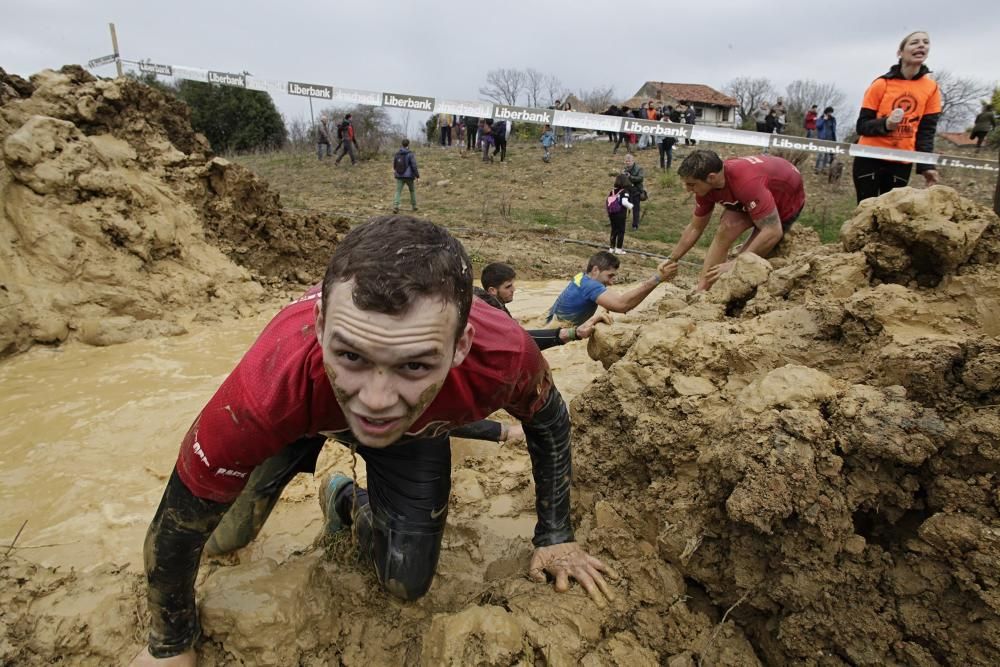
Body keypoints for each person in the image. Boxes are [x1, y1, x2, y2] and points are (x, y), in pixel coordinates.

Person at [129, 217, 614, 666]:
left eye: (415, 364)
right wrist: (171, 643)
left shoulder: (504, 357)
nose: (376, 402)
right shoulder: (267, 386)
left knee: (406, 582)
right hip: (302, 413)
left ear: (461, 347)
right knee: (220, 540)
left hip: (412, 436)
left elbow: (549, 422)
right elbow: (176, 526)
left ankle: (341, 496)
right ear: (320, 327)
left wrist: (555, 535)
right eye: (352, 356)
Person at [666, 149, 805, 291]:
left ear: (711, 177)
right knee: (725, 228)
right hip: (751, 195)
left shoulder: (746, 183)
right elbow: (696, 227)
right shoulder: (704, 187)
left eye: (691, 184)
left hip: (785, 197)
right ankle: (702, 290)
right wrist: (671, 259)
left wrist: (736, 263)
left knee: (748, 261)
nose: (687, 189)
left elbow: (773, 231)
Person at [852, 31, 941, 203]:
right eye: (914, 42)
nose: (921, 45)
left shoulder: (932, 89)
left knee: (892, 217)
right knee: (865, 213)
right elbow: (862, 126)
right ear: (900, 52)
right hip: (870, 157)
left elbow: (926, 132)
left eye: (925, 42)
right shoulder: (881, 84)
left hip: (901, 161)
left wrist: (926, 165)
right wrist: (886, 124)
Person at [477, 262, 608, 348]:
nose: (514, 289)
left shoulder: (488, 305)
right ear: (492, 291)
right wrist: (574, 333)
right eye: (508, 286)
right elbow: (520, 340)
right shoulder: (493, 316)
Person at [546, 251, 677, 327]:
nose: (611, 282)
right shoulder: (591, 285)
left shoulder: (581, 278)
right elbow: (622, 305)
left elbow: (605, 295)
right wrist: (657, 279)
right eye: (610, 276)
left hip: (549, 324)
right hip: (559, 333)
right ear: (596, 270)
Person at [606, 173, 634, 255]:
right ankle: (618, 248)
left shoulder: (612, 191)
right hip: (620, 214)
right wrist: (631, 206)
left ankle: (611, 248)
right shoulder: (624, 191)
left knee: (614, 230)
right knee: (621, 231)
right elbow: (624, 202)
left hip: (612, 213)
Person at [392, 139, 419, 213]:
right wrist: (417, 176)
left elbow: (394, 165)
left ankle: (396, 206)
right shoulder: (410, 154)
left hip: (399, 176)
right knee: (412, 191)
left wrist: (396, 172)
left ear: (402, 144)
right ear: (408, 145)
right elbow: (414, 165)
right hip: (409, 176)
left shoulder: (397, 154)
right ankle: (414, 206)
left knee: (398, 191)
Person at [622, 154, 644, 230]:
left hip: (636, 191)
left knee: (636, 209)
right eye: (626, 161)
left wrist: (630, 177)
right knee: (623, 206)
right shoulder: (625, 169)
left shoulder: (639, 168)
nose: (627, 163)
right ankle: (622, 221)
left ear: (633, 161)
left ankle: (635, 225)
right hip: (627, 191)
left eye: (629, 161)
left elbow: (640, 179)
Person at [815, 107, 838, 173]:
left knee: (827, 155)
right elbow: (818, 126)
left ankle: (824, 169)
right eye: (829, 112)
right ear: (826, 112)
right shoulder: (821, 118)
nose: (830, 113)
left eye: (831, 112)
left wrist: (834, 139)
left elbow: (834, 130)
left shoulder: (833, 119)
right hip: (822, 139)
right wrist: (823, 120)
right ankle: (817, 168)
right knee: (820, 154)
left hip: (830, 139)